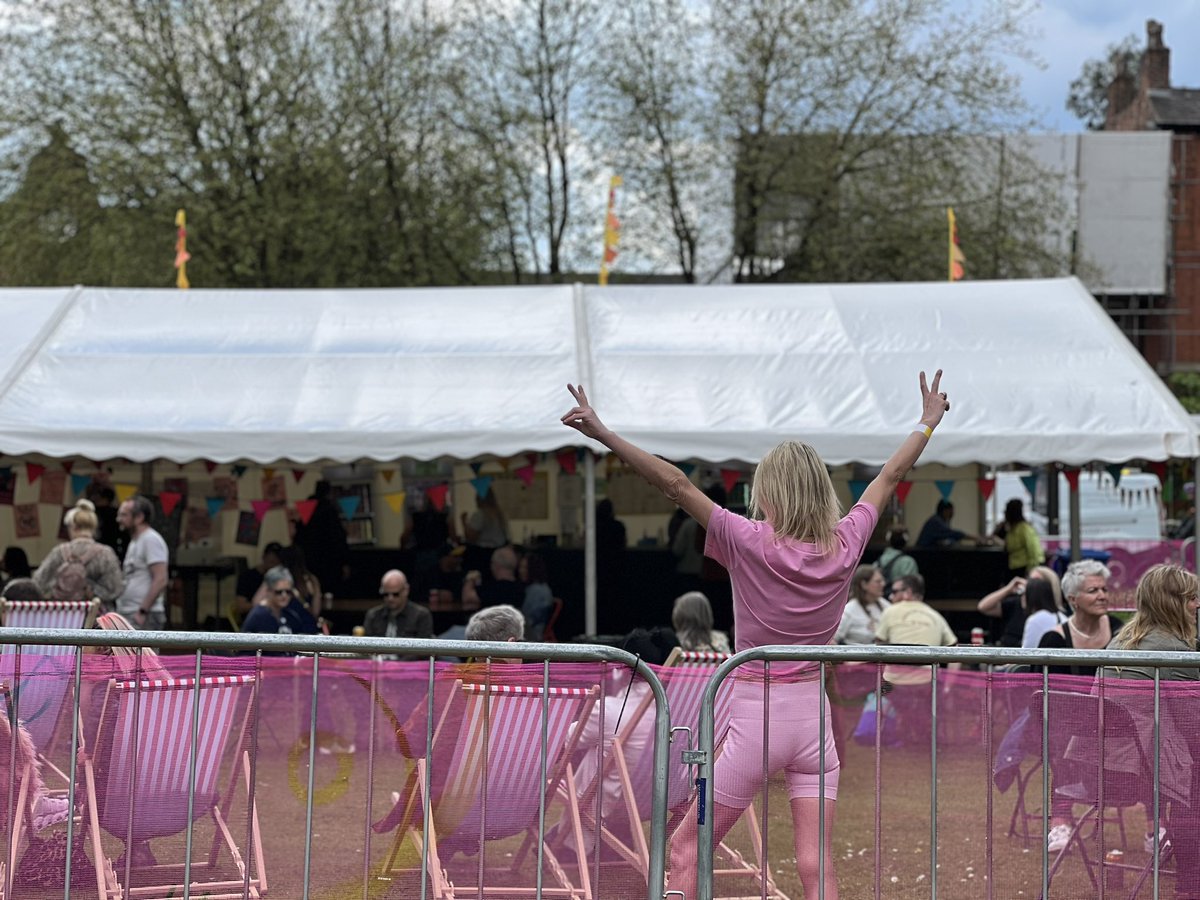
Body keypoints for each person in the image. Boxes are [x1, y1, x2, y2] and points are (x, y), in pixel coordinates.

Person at [560, 369, 952, 899]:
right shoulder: (849, 538)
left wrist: (604, 434)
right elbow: (888, 477)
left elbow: (675, 484)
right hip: (814, 723)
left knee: (684, 850)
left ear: (767, 493)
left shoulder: (745, 539)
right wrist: (927, 423)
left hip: (755, 722)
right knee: (817, 867)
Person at [1037, 559, 1124, 852]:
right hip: (1070, 728)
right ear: (1072, 599)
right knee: (1063, 737)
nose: (1102, 595)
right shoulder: (1054, 640)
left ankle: (1156, 830)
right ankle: (1060, 823)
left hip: (1116, 724)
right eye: (1092, 590)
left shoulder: (1120, 633)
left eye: (1104, 589)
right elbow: (1047, 699)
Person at [875, 574, 957, 744]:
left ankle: (890, 725)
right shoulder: (936, 616)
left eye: (895, 591)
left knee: (879, 690)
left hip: (892, 687)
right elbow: (956, 652)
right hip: (928, 686)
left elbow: (878, 648)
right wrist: (948, 687)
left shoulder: (889, 611)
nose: (891, 596)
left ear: (908, 592)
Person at [33, 498, 124, 606]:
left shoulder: (59, 552)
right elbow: (115, 588)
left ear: (73, 527)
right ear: (94, 528)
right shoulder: (105, 554)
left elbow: (38, 582)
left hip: (64, 614)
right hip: (95, 616)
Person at [114, 496, 169, 630]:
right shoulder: (135, 541)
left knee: (143, 652)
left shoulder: (151, 539)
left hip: (144, 615)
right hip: (129, 613)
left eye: (124, 515)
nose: (119, 519)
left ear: (139, 517)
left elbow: (161, 579)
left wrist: (143, 611)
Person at [977, 565, 1063, 647]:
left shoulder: (1056, 616)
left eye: (1035, 581)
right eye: (1029, 579)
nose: (1030, 584)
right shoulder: (1015, 604)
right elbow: (983, 607)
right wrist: (1008, 589)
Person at [293, 480, 350, 598]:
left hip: (309, 559)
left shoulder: (306, 508)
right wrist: (344, 561)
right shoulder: (329, 510)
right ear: (328, 492)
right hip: (329, 560)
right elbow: (338, 538)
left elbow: (298, 536)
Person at [241, 566, 320, 639]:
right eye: (279, 592)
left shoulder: (289, 613)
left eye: (288, 592)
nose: (284, 595)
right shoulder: (260, 615)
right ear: (268, 591)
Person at [363, 569, 433, 641]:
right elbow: (366, 647)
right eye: (386, 594)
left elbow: (424, 649)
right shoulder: (373, 615)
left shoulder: (421, 616)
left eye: (395, 594)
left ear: (406, 591)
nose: (390, 598)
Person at [835, 565, 889, 645]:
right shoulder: (849, 609)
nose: (883, 584)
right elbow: (833, 639)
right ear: (864, 584)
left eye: (882, 581)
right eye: (878, 581)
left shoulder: (885, 604)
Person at [233, 543, 283, 627]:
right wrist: (265, 605)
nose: (274, 567)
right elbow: (240, 607)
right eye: (271, 562)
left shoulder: (282, 578)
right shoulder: (247, 577)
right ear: (263, 557)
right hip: (253, 623)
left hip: (276, 622)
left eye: (277, 564)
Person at [994, 498, 1044, 579]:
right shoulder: (1011, 529)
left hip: (1023, 568)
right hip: (1012, 567)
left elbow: (1033, 550)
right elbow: (1008, 546)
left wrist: (1031, 570)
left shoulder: (1024, 529)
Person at [461, 546, 523, 610]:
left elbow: (467, 597)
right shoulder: (521, 588)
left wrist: (471, 578)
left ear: (495, 565)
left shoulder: (494, 589)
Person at [1018, 577, 1066, 648]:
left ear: (1032, 595)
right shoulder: (1061, 616)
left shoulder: (1034, 620)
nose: (1021, 597)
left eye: (1024, 593)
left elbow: (1026, 652)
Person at [518, 552, 554, 641]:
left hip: (532, 636)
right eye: (520, 567)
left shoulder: (538, 591)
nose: (521, 571)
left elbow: (528, 620)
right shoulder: (531, 588)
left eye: (525, 568)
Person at [915, 500, 979, 548]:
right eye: (951, 512)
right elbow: (953, 533)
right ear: (945, 511)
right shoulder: (936, 522)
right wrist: (975, 538)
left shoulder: (938, 520)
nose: (952, 515)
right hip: (923, 554)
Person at [876, 527, 918, 595]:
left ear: (888, 540)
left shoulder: (879, 561)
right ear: (906, 541)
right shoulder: (909, 562)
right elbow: (912, 586)